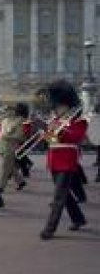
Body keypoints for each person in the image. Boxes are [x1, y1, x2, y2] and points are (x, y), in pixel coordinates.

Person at [40, 79, 87, 240]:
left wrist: (60, 131)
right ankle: (78, 219)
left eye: (59, 106)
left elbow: (76, 137)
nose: (57, 109)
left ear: (67, 105)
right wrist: (46, 135)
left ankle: (49, 228)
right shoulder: (54, 121)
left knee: (58, 197)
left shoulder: (79, 121)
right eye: (56, 106)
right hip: (54, 160)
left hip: (67, 161)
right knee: (65, 195)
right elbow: (52, 142)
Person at [0, 104, 27, 193]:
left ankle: (1, 187)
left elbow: (20, 136)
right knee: (10, 166)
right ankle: (21, 182)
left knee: (5, 167)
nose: (6, 113)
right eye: (6, 111)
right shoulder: (4, 121)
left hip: (11, 146)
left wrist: (8, 137)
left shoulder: (18, 121)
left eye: (9, 111)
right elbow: (0, 134)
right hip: (2, 145)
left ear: (13, 112)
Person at [15, 103, 34, 178]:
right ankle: (26, 170)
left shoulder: (26, 121)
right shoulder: (19, 120)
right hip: (18, 140)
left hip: (23, 141)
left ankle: (12, 173)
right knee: (20, 156)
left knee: (18, 156)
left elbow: (26, 133)